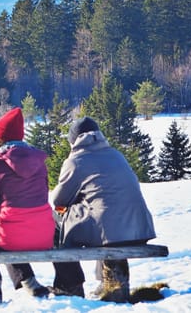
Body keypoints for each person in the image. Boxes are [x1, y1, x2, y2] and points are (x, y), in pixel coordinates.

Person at [50, 117, 157, 303]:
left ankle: (69, 286)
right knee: (103, 217)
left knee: (55, 221)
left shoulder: (76, 160)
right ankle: (106, 282)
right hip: (139, 228)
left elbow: (59, 200)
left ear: (73, 140)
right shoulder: (116, 155)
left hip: (111, 230)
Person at [0, 107, 55, 303]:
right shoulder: (39, 161)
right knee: (8, 235)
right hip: (44, 232)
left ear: (0, 137)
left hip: (11, 231)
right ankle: (30, 284)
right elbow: (42, 194)